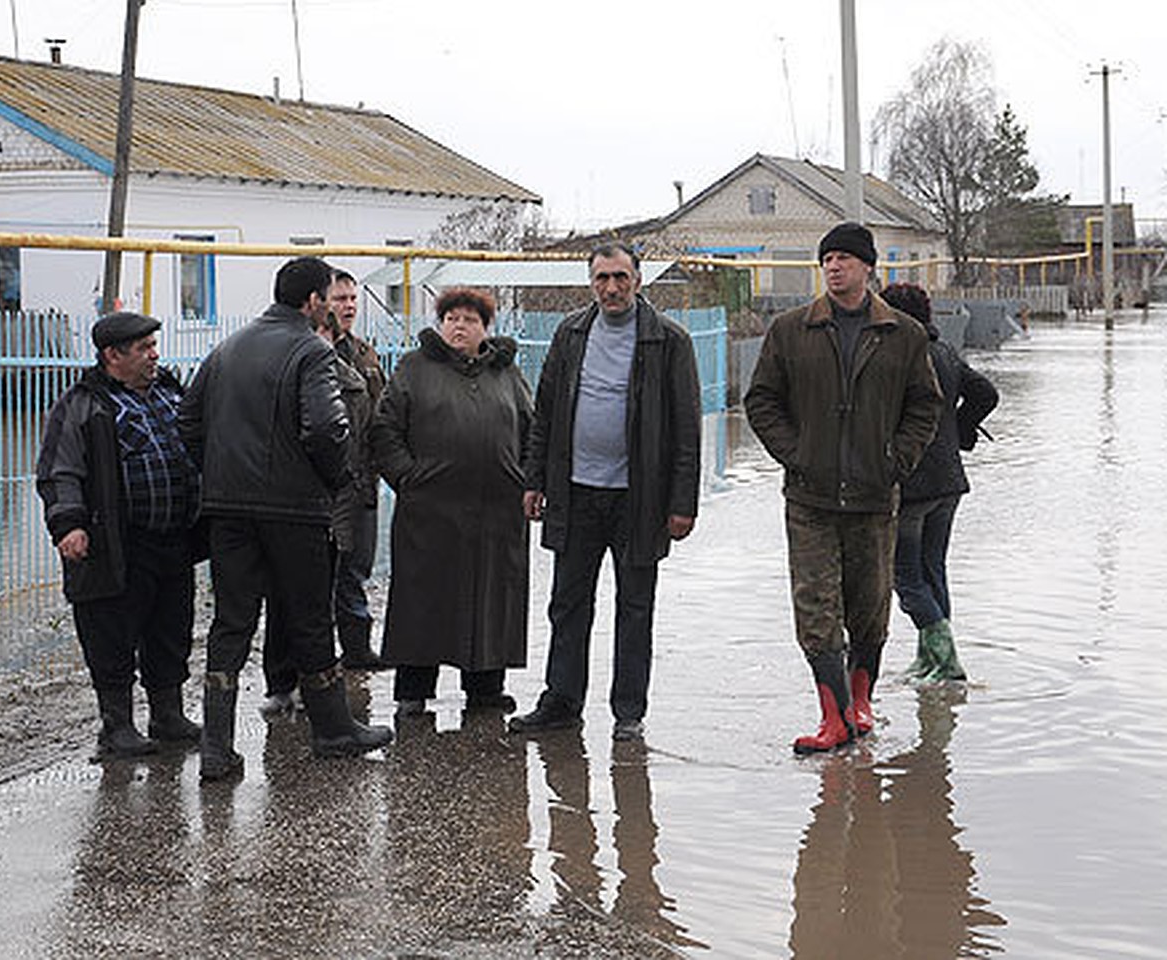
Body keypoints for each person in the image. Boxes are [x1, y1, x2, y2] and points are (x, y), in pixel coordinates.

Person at [179, 257, 392, 781]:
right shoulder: (310, 350)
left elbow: (187, 421)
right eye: (328, 296)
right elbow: (325, 430)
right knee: (309, 615)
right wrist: (334, 477)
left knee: (231, 622)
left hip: (227, 509)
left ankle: (216, 747)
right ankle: (333, 729)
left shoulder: (226, 348)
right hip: (293, 509)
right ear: (314, 301)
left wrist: (221, 475)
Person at [743, 222, 942, 755]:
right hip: (810, 498)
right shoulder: (791, 330)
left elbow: (926, 404)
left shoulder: (903, 334)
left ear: (868, 268)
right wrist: (797, 452)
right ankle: (832, 717)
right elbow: (761, 400)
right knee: (815, 607)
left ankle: (861, 704)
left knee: (870, 606)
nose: (834, 267)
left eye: (845, 259)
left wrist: (897, 458)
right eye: (827, 259)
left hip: (875, 498)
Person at [509, 242, 702, 742]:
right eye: (602, 279)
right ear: (590, 283)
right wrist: (535, 479)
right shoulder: (571, 333)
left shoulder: (668, 341)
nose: (611, 288)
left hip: (639, 499)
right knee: (568, 603)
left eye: (620, 277)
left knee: (635, 607)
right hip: (575, 494)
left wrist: (682, 503)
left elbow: (686, 430)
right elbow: (545, 413)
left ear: (638, 280)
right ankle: (561, 701)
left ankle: (628, 712)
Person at [36, 311, 203, 758]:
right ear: (113, 355)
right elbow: (58, 471)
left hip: (174, 540)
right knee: (111, 634)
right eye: (144, 347)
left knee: (170, 631)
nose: (155, 354)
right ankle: (116, 727)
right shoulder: (81, 405)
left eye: (154, 345)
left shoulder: (170, 392)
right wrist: (68, 525)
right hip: (115, 544)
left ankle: (167, 716)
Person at [369, 287, 533, 714]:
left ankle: (485, 688)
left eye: (470, 320)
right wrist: (407, 477)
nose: (460, 326)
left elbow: (532, 430)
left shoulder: (507, 374)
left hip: (497, 512)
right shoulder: (415, 368)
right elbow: (384, 430)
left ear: (485, 328)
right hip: (431, 511)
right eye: (452, 319)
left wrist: (526, 480)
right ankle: (413, 691)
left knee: (492, 597)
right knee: (424, 599)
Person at [258, 306, 381, 716]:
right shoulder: (279, 372)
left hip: (336, 499)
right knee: (286, 595)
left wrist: (358, 485)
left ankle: (318, 686)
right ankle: (283, 682)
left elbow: (361, 438)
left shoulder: (352, 378)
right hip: (289, 501)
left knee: (325, 592)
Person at [881, 282, 998, 681]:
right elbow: (986, 393)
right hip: (949, 482)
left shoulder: (901, 356)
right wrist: (960, 433)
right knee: (934, 570)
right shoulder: (945, 352)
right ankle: (930, 658)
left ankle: (946, 659)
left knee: (906, 577)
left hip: (913, 484)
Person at [327, 269, 388, 670]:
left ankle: (356, 648)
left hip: (362, 479)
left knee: (356, 567)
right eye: (340, 299)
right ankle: (313, 659)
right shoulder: (309, 351)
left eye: (352, 299)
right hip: (323, 484)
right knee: (319, 573)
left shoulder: (365, 354)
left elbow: (382, 414)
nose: (348, 306)